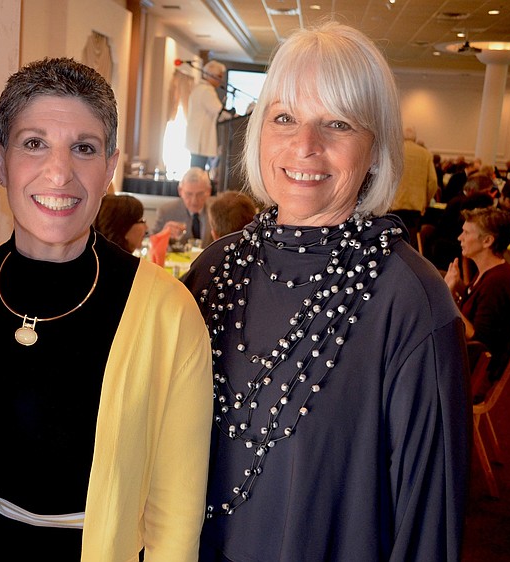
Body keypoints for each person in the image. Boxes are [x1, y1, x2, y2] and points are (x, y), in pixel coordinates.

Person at [183, 22, 469, 561]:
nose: (304, 145)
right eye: (285, 117)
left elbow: (428, 523)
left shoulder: (410, 303)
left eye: (337, 123)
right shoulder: (213, 272)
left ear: (376, 148)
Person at [0, 57, 212, 561]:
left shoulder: (167, 313)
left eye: (83, 148)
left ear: (110, 167)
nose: (59, 172)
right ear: (0, 160)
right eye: (34, 143)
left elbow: (176, 514)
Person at [445, 207, 510, 382]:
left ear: (487, 241)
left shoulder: (498, 282)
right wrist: (458, 286)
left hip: (474, 371)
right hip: (467, 360)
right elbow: (476, 305)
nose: (460, 238)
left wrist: (446, 297)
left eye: (466, 233)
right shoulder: (490, 272)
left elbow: (479, 342)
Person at [390, 126, 438, 248]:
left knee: (392, 240)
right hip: (415, 206)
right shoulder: (425, 154)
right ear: (415, 138)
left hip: (393, 204)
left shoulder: (393, 151)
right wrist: (426, 201)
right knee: (410, 241)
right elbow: (433, 182)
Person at [186, 59, 233, 171]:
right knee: (198, 170)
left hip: (197, 137)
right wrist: (235, 117)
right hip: (201, 139)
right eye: (219, 76)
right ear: (212, 75)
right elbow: (218, 111)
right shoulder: (207, 90)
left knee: (197, 169)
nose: (221, 80)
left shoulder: (199, 88)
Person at [153, 166, 215, 247]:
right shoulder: (166, 211)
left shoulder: (217, 210)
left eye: (200, 194)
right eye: (189, 194)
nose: (194, 201)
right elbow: (151, 243)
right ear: (180, 191)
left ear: (209, 191)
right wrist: (164, 235)